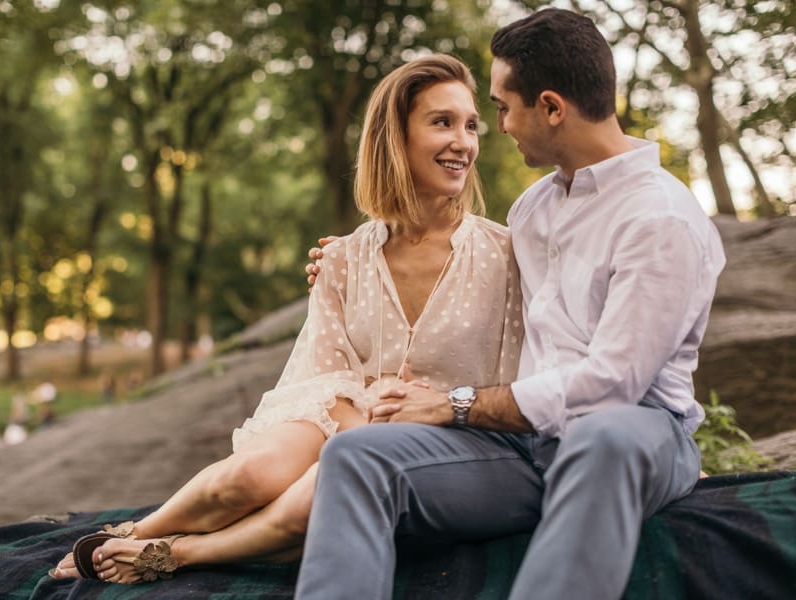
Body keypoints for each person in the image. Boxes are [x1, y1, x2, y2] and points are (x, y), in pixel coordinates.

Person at [295, 9, 726, 600]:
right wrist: (347, 261)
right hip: (525, 449)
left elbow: (613, 385)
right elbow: (460, 268)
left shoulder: (660, 218)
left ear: (550, 107)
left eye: (501, 108)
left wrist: (456, 404)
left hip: (635, 434)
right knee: (356, 454)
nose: (496, 127)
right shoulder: (533, 210)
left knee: (604, 436)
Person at [50, 53, 524, 584]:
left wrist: (398, 427)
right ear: (395, 137)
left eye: (471, 126)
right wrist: (364, 430)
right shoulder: (343, 258)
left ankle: (172, 552)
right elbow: (327, 376)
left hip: (453, 437)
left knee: (319, 491)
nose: (464, 142)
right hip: (352, 418)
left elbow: (517, 384)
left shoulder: (505, 255)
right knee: (249, 475)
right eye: (442, 122)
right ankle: (132, 532)